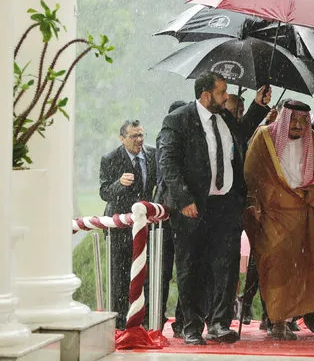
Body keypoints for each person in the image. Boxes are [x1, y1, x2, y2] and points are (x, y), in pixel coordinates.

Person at [158, 73, 270, 345]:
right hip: (193, 208)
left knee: (226, 267)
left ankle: (219, 324)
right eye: (222, 92)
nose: (226, 97)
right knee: (191, 268)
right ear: (205, 95)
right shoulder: (179, 120)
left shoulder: (225, 119)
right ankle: (192, 327)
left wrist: (259, 105)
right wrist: (184, 200)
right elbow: (168, 164)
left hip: (225, 207)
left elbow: (243, 134)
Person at [243, 100, 314, 340]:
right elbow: (251, 173)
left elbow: (310, 174)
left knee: (299, 266)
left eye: (304, 120)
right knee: (275, 264)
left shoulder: (311, 137)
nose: (300, 126)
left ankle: (285, 319)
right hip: (273, 211)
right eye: (294, 120)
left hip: (301, 210)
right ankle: (276, 320)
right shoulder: (265, 137)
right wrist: (255, 203)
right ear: (284, 118)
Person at [99, 119, 156, 330]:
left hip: (145, 226)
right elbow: (104, 192)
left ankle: (146, 321)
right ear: (122, 138)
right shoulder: (110, 159)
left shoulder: (153, 155)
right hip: (119, 228)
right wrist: (119, 184)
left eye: (141, 135)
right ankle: (119, 324)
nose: (139, 140)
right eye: (133, 136)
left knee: (146, 275)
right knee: (120, 277)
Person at [154, 100, 187, 337]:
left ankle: (163, 319)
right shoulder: (168, 140)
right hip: (169, 211)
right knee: (168, 270)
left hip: (172, 211)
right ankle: (161, 319)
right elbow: (166, 174)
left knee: (174, 270)